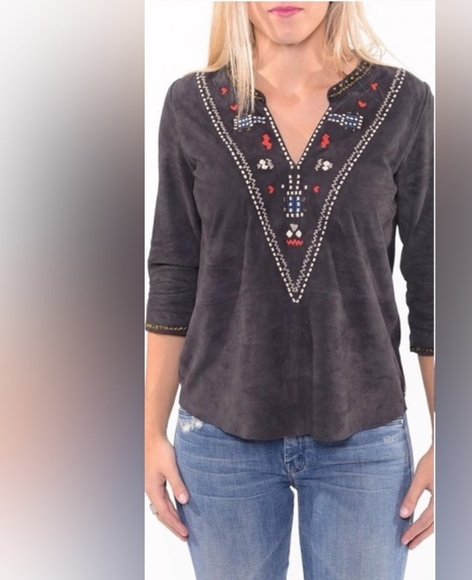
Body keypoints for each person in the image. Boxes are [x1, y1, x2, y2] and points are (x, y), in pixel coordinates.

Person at [145, 2, 434, 579]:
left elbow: (432, 277)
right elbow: (174, 272)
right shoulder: (190, 105)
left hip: (364, 433)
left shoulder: (403, 102)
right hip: (221, 436)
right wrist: (150, 431)